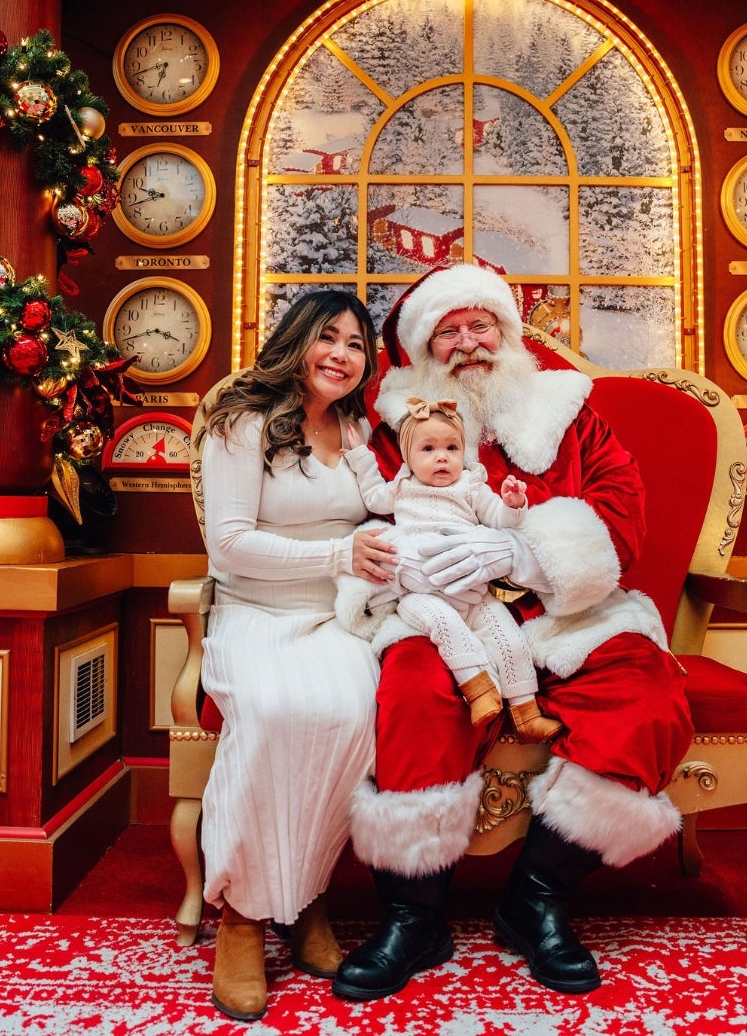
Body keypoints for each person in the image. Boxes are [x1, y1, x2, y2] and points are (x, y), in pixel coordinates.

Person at [331, 263, 694, 1001]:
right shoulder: (392, 427)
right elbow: (360, 522)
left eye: (480, 325)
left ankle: (536, 901)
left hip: (571, 614)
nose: (468, 344)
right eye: (449, 331)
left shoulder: (569, 414)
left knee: (646, 697)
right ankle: (414, 916)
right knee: (408, 689)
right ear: (426, 348)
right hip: (445, 616)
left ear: (508, 331)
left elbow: (623, 513)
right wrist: (409, 573)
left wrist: (525, 552)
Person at [197, 290, 396, 1021]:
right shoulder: (241, 423)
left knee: (350, 716)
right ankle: (243, 916)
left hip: (339, 618)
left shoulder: (355, 428)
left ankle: (303, 896)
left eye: (355, 344)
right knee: (279, 711)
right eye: (329, 337)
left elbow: (391, 506)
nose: (342, 354)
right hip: (255, 613)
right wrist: (340, 551)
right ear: (297, 341)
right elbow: (229, 544)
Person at [335, 395, 563, 742]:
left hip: (473, 588)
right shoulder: (402, 489)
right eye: (428, 449)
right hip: (421, 592)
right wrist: (359, 456)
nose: (442, 457)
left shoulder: (472, 487)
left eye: (451, 448)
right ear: (408, 457)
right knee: (445, 626)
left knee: (510, 640)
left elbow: (499, 520)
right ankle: (479, 689)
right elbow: (371, 496)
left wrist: (514, 505)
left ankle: (526, 711)